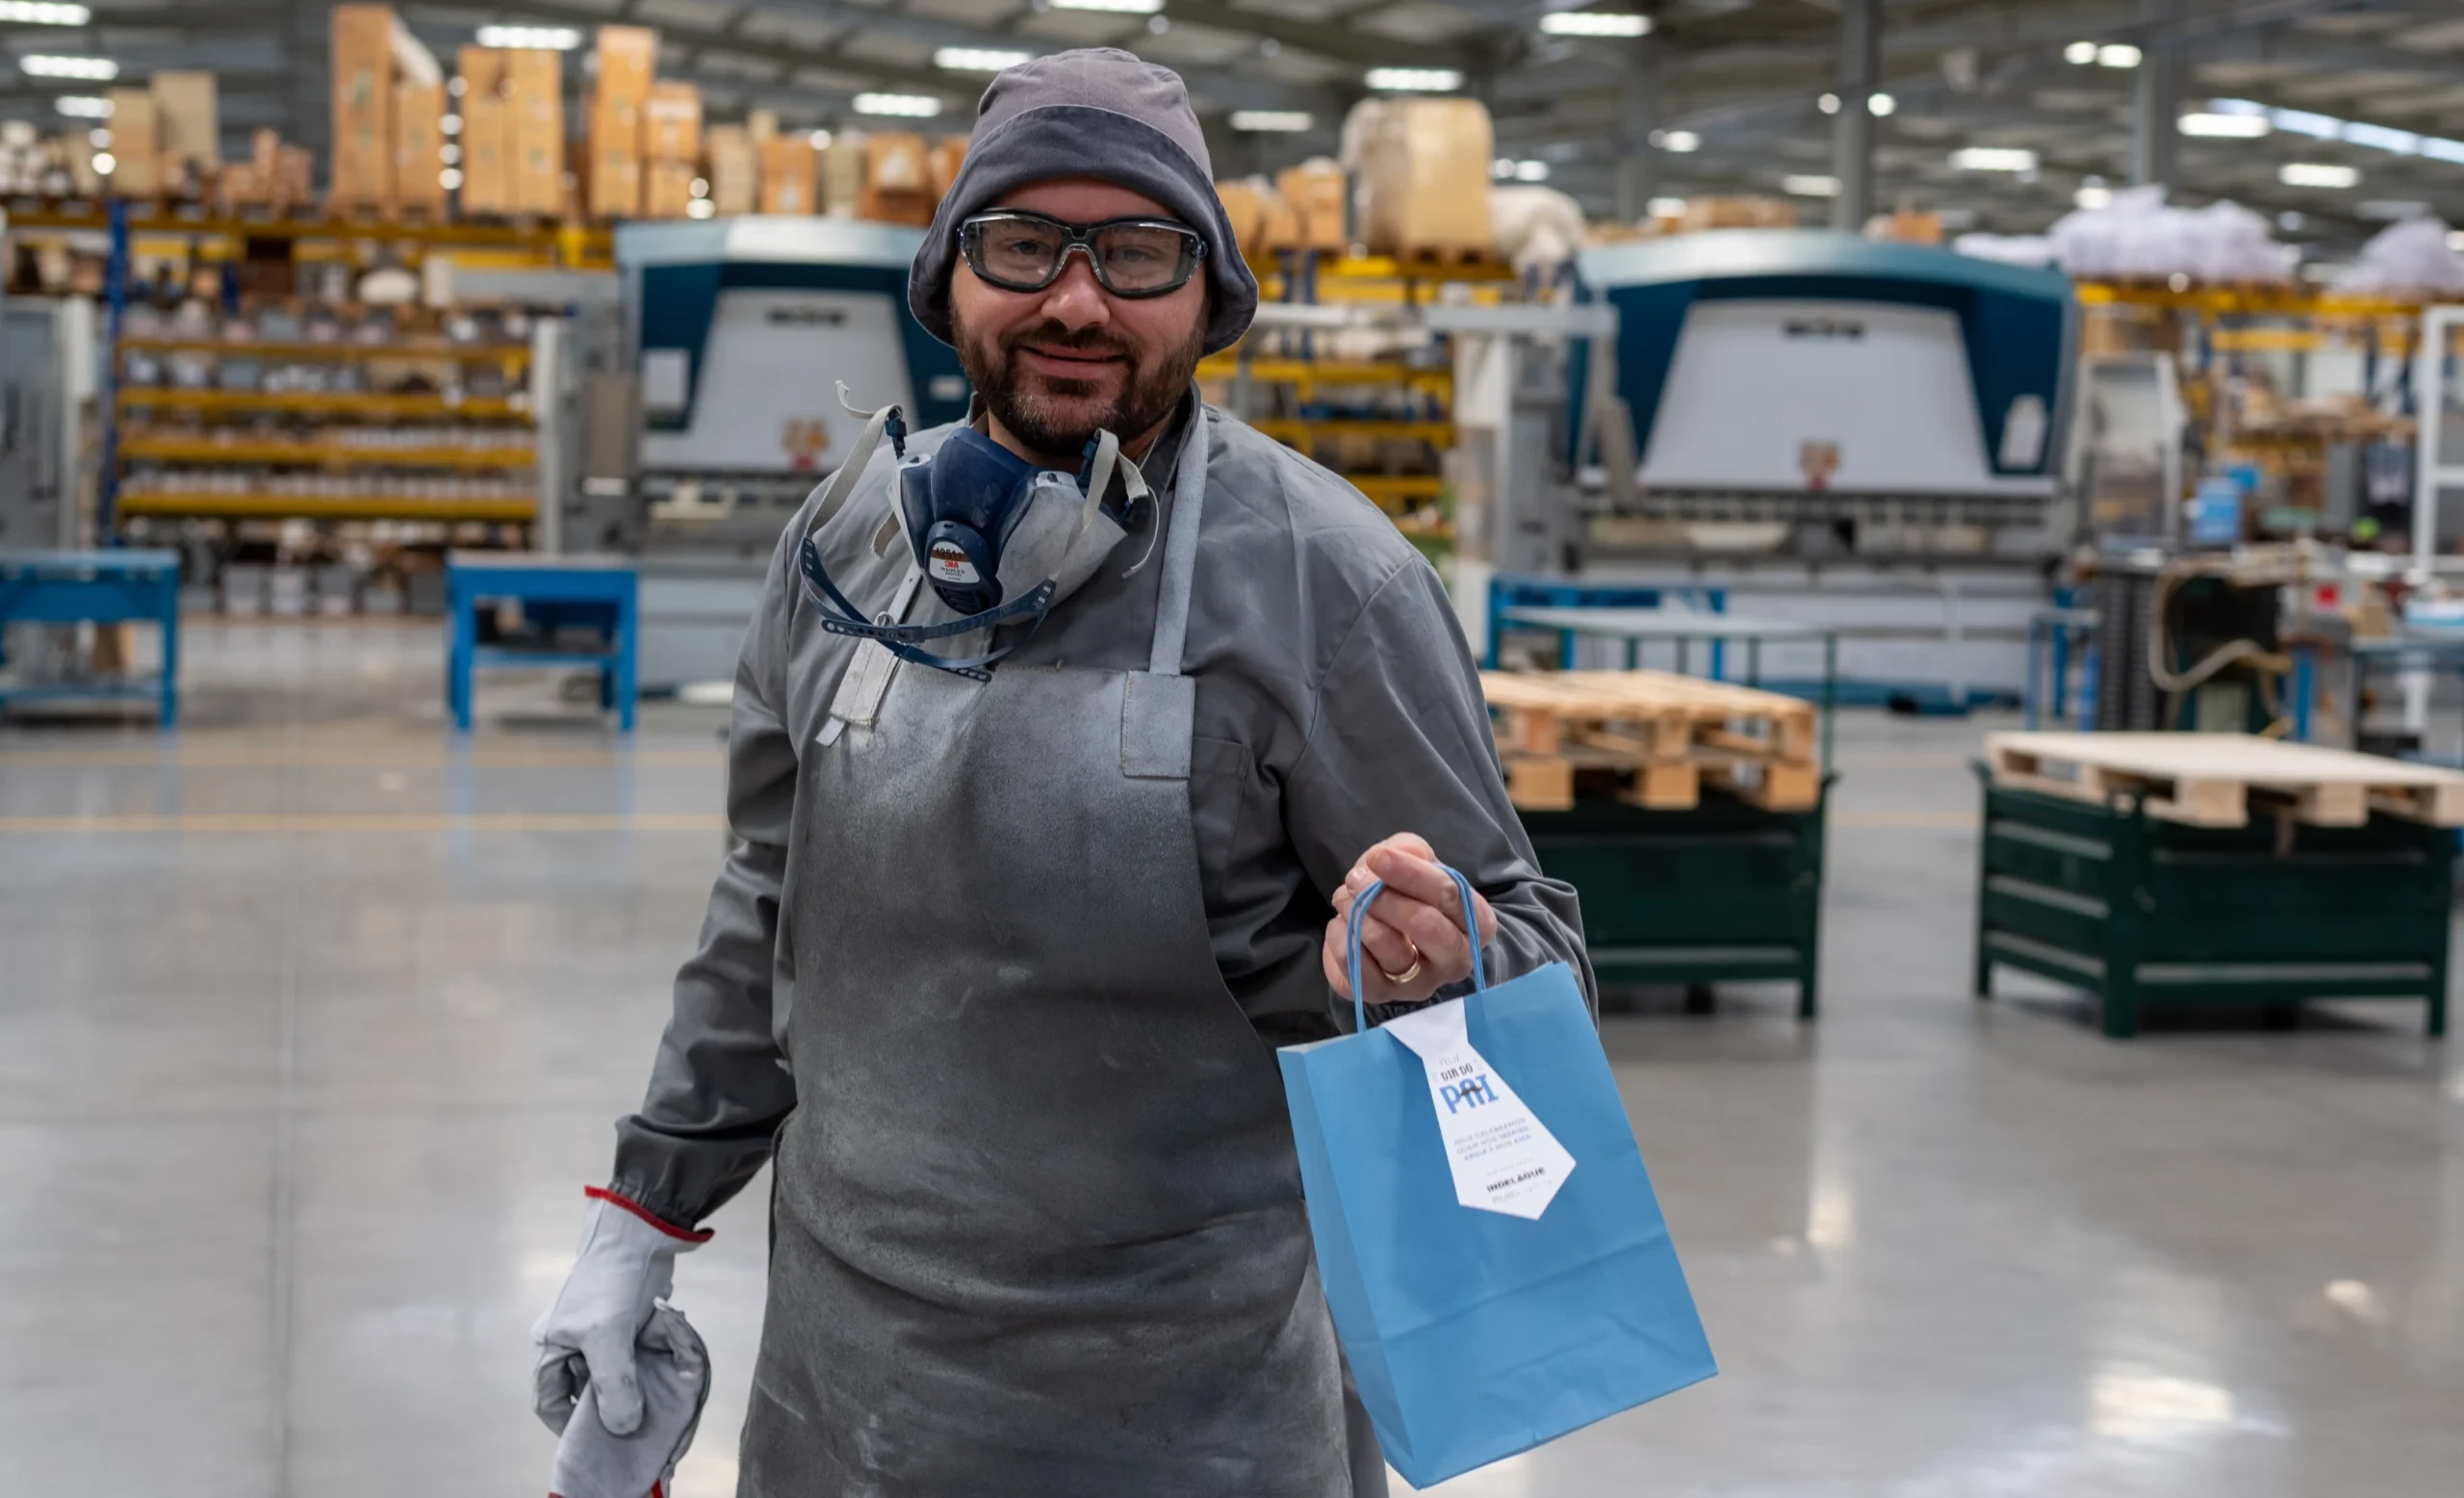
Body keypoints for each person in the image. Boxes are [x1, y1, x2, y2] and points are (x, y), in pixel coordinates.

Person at [530, 47, 1591, 1498]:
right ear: (949, 275)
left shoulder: (1327, 585)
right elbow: (768, 900)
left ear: (1207, 294)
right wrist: (643, 1215)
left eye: (1138, 253)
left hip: (1195, 1415)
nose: (1077, 301)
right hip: (842, 1395)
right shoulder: (844, 548)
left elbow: (1535, 962)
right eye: (1023, 244)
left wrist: (1449, 960)